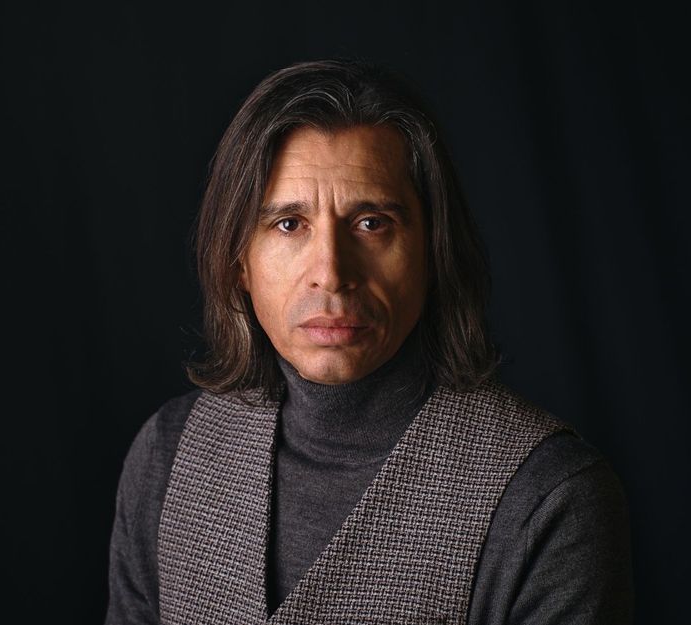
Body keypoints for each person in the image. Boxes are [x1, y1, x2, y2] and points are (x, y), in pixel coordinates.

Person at [105, 59, 633, 625]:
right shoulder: (166, 457)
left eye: (372, 223)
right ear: (238, 261)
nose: (331, 274)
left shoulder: (550, 499)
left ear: (433, 251)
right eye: (289, 224)